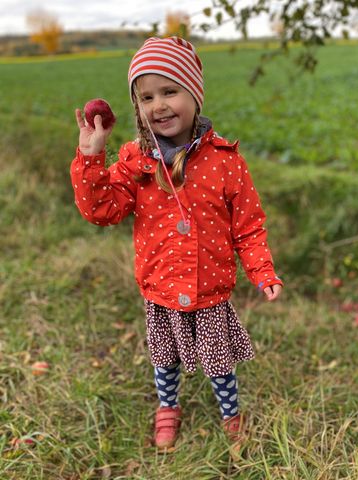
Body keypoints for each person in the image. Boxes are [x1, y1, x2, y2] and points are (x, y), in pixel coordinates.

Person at [70, 36, 283, 451]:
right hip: (161, 286)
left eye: (170, 91)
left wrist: (262, 271)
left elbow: (249, 225)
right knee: (164, 357)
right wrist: (92, 160)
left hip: (210, 288)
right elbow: (101, 211)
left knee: (219, 362)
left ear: (194, 95)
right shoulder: (135, 159)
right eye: (147, 96)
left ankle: (230, 412)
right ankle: (167, 406)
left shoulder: (225, 159)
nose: (159, 105)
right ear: (137, 107)